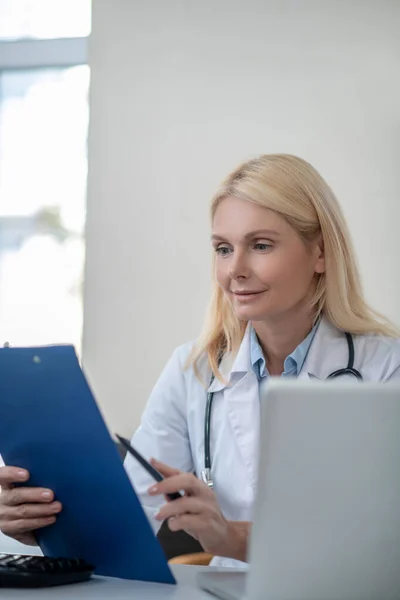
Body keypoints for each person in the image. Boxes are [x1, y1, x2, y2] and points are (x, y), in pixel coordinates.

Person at [0, 154, 399, 569]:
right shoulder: (194, 370)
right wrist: (40, 519)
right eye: (223, 249)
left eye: (261, 245)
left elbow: (382, 541)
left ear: (320, 254)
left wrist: (234, 537)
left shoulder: (385, 372)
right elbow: (128, 518)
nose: (235, 271)